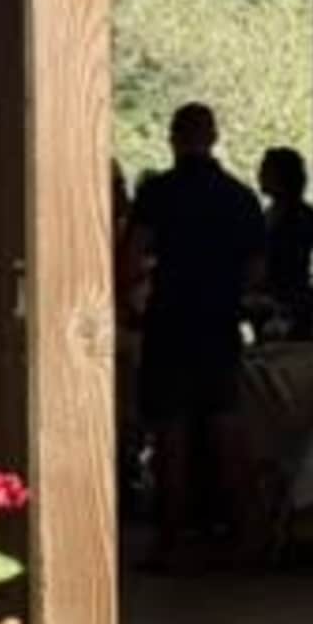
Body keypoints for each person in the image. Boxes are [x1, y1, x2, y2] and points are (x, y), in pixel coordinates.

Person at [128, 103, 267, 566]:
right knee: (226, 425)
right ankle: (243, 536)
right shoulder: (241, 198)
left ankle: (170, 540)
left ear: (173, 137)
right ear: (214, 137)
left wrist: (135, 298)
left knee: (171, 432)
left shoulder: (158, 194)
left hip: (170, 321)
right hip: (219, 324)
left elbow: (131, 257)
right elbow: (255, 270)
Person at [254, 146, 313, 341]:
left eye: (265, 171)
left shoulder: (301, 215)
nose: (259, 176)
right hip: (269, 302)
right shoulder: (270, 214)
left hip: (292, 305)